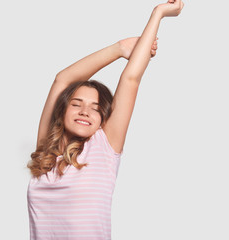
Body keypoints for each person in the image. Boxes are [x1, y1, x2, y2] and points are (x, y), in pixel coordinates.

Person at [27, 0, 184, 239]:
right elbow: (62, 79)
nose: (84, 112)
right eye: (76, 104)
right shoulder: (45, 154)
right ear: (63, 111)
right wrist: (119, 48)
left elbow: (131, 78)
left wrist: (158, 14)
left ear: (102, 119)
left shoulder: (104, 146)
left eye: (95, 108)